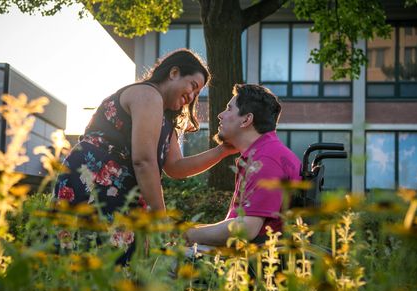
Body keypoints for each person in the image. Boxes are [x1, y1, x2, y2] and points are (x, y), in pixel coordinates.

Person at [54, 49, 237, 261]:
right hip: (93, 181)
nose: (192, 96)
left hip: (123, 191)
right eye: (192, 86)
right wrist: (161, 218)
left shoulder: (166, 119)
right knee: (94, 262)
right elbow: (144, 161)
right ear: (174, 72)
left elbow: (176, 167)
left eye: (197, 94)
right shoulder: (147, 95)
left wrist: (223, 150)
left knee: (119, 267)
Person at [184, 84, 301, 246]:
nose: (220, 115)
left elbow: (247, 228)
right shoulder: (269, 153)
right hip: (258, 253)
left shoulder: (265, 161)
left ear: (246, 119)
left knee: (168, 260)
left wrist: (188, 235)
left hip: (256, 259)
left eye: (229, 109)